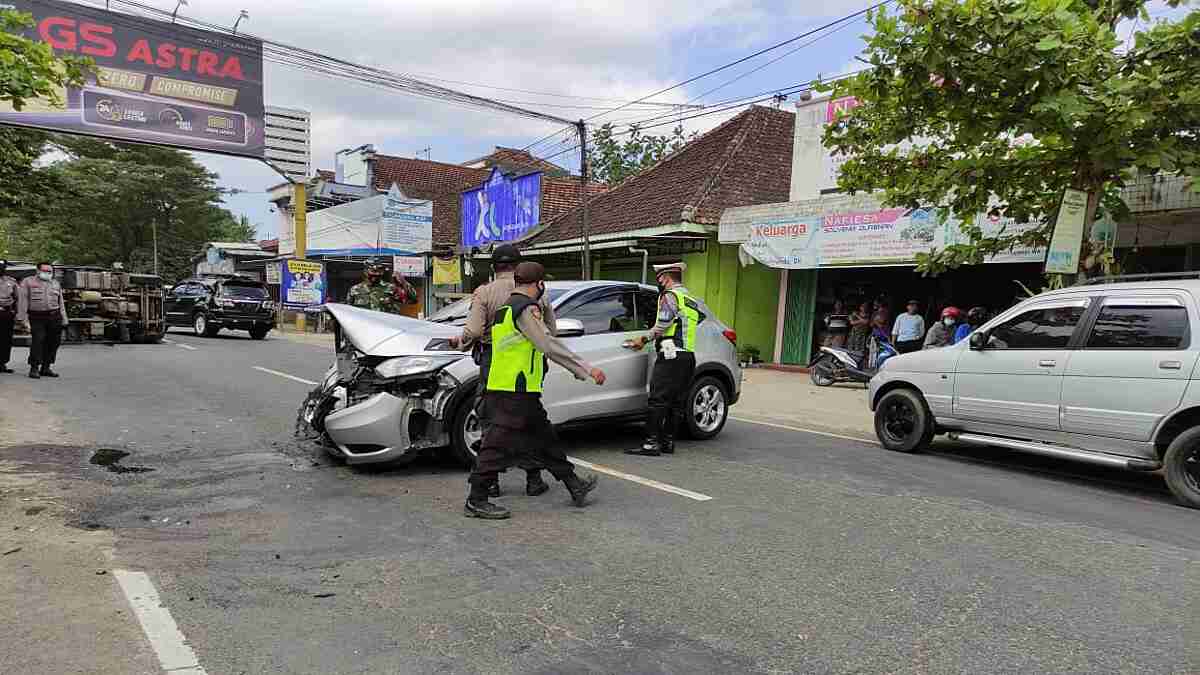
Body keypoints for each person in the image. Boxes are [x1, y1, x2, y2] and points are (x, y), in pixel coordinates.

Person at [464, 261, 605, 520]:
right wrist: (585, 369)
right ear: (539, 284)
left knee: (544, 439)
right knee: (495, 446)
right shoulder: (525, 309)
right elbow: (547, 344)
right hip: (513, 390)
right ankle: (476, 499)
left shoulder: (505, 309)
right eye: (543, 284)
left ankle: (574, 484)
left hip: (513, 387)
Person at [448, 244, 557, 498]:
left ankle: (491, 482)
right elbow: (551, 330)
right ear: (519, 266)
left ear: (493, 267)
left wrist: (461, 341)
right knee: (527, 418)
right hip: (528, 364)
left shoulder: (484, 292)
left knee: (491, 419)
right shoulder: (538, 292)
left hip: (494, 362)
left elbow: (473, 331)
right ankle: (534, 479)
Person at [624, 262, 702, 457]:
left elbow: (662, 325)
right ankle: (667, 442)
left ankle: (651, 444)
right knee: (675, 402)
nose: (658, 282)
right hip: (687, 356)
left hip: (670, 355)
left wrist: (642, 339)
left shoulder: (670, 297)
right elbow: (697, 321)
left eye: (659, 278)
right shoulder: (690, 299)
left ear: (666, 278)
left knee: (658, 400)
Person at [16, 261, 68, 379]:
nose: (48, 273)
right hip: (37, 317)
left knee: (53, 342)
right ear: (38, 271)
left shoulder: (55, 283)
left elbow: (61, 302)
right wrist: (22, 319)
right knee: (38, 341)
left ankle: (46, 367)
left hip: (54, 316)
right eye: (45, 271)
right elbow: (23, 302)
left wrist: (64, 318)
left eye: (50, 271)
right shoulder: (28, 282)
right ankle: (34, 368)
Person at [0, 260, 17, 374]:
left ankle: (2, 363)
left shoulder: (11, 281)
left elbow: (18, 297)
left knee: (5, 339)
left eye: (2, 267)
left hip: (6, 314)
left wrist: (17, 313)